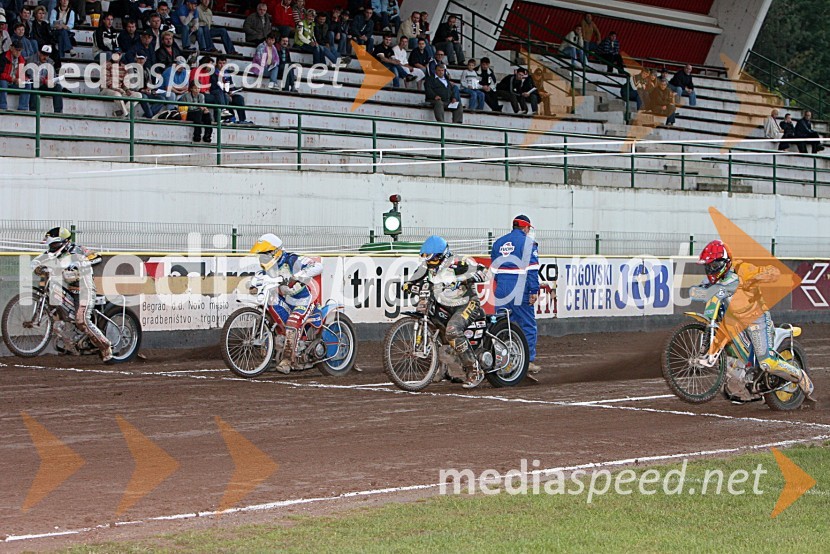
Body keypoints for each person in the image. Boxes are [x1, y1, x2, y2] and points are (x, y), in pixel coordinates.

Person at [693, 240, 814, 400]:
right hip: (734, 322)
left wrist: (758, 276)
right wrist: (699, 292)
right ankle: (749, 391)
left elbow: (774, 273)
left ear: (725, 262)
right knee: (728, 359)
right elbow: (695, 293)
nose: (710, 270)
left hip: (756, 319)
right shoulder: (712, 280)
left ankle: (800, 376)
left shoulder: (743, 269)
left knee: (767, 363)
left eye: (714, 265)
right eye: (708, 266)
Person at [402, 235, 489, 388]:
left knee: (452, 330)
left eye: (433, 259)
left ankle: (474, 370)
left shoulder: (458, 262)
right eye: (426, 258)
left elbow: (484, 272)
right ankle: (444, 367)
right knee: (435, 328)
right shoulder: (425, 268)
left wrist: (470, 277)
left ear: (443, 255)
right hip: (443, 304)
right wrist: (408, 285)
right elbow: (413, 280)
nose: (429, 262)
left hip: (466, 303)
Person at [34, 227, 112, 361]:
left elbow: (97, 257)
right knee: (56, 312)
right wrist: (37, 266)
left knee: (81, 320)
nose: (52, 247)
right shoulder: (52, 254)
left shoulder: (77, 249)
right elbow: (36, 261)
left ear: (65, 242)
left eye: (54, 244)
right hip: (71, 290)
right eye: (50, 245)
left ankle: (106, 347)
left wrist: (80, 266)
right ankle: (72, 342)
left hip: (85, 290)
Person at [249, 233, 323, 374]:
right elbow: (258, 278)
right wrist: (253, 285)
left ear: (275, 252)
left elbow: (318, 266)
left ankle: (288, 360)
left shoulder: (292, 259)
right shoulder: (268, 268)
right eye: (261, 255)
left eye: (265, 254)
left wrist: (297, 276)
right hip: (286, 300)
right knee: (270, 312)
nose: (262, 258)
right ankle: (270, 355)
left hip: (304, 299)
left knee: (293, 321)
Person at [491, 215, 540, 374]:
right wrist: (533, 290)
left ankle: (503, 361)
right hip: (519, 286)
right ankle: (528, 362)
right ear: (526, 228)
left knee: (502, 325)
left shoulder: (498, 243)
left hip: (502, 287)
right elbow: (532, 268)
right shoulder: (528, 242)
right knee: (527, 324)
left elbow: (494, 271)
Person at [209, 54, 251, 123]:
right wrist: (226, 93)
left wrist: (232, 91)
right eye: (220, 63)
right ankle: (222, 117)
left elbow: (231, 86)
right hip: (217, 93)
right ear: (216, 63)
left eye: (224, 63)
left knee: (239, 99)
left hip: (227, 94)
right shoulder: (213, 73)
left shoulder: (227, 74)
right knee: (222, 95)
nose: (222, 65)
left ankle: (242, 120)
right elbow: (214, 86)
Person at [101, 51, 142, 117]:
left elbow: (124, 83)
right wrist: (116, 89)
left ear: (120, 56)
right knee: (117, 94)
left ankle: (123, 111)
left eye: (118, 54)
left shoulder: (123, 67)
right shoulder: (106, 65)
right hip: (106, 89)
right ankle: (125, 114)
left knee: (138, 95)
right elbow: (107, 81)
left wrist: (127, 90)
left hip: (120, 90)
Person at [31, 44, 65, 113]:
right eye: (43, 54)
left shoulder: (50, 62)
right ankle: (33, 110)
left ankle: (58, 112)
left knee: (58, 87)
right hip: (34, 84)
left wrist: (52, 81)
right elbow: (30, 75)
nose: (45, 57)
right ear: (39, 53)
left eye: (47, 55)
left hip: (44, 85)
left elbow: (53, 76)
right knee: (34, 85)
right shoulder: (31, 60)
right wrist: (44, 81)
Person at [0, 38, 30, 110]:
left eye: (20, 50)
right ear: (11, 48)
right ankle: (2, 106)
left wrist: (25, 79)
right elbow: (1, 74)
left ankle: (23, 107)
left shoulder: (21, 60)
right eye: (17, 49)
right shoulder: (3, 57)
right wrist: (13, 79)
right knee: (3, 82)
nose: (18, 52)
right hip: (6, 81)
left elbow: (22, 74)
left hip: (14, 82)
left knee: (27, 84)